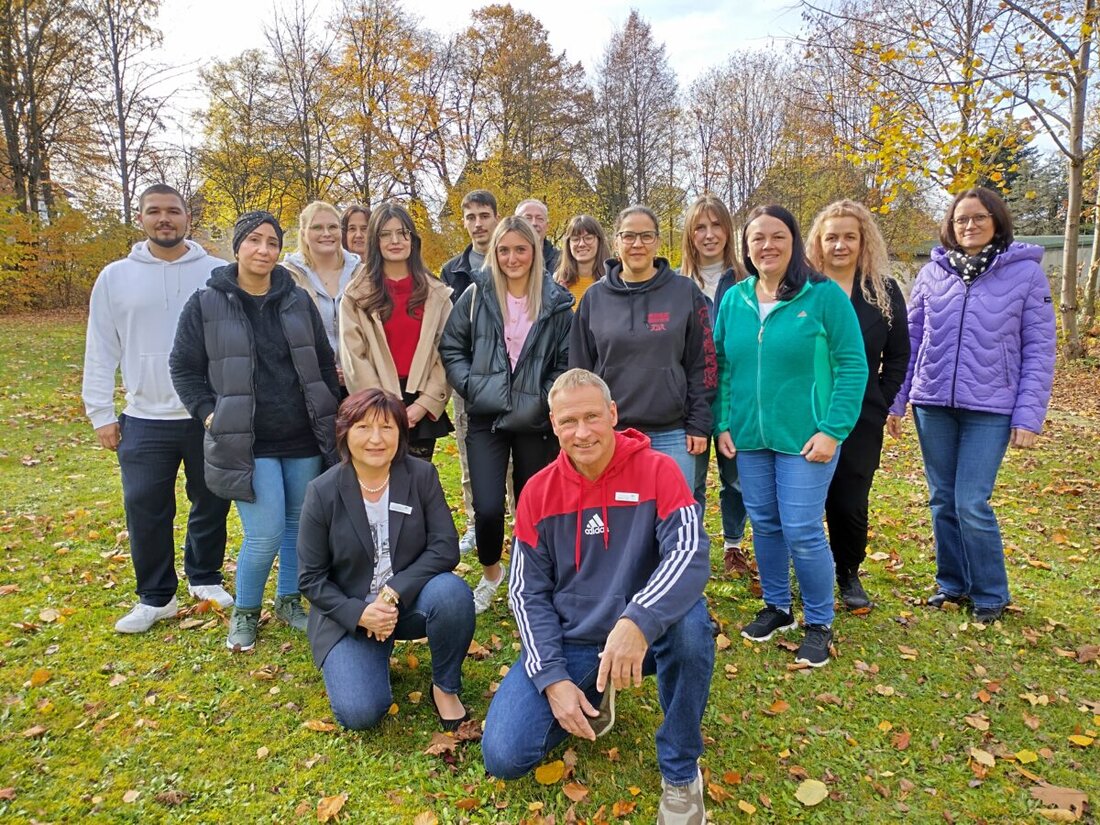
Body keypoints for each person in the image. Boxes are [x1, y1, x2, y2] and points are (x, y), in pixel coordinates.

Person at [481, 369, 714, 825]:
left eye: (592, 417)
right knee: (504, 755)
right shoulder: (537, 492)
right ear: (553, 424)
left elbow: (689, 551)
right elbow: (526, 593)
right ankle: (595, 688)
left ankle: (681, 771)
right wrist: (552, 678)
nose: (582, 432)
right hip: (577, 638)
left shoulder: (659, 471)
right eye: (569, 421)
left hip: (647, 634)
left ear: (612, 413)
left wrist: (638, 621)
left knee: (691, 626)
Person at [170, 211, 341, 652]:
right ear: (238, 246)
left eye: (272, 242)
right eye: (254, 240)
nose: (264, 250)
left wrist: (327, 407)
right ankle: (245, 611)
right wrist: (209, 414)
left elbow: (323, 362)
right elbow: (183, 368)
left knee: (297, 526)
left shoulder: (297, 300)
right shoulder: (206, 303)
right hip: (248, 441)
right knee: (264, 533)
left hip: (302, 436)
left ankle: (288, 600)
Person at [887, 186, 1055, 623]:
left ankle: (991, 593)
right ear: (950, 225)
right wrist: (898, 400)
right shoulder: (932, 273)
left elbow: (1039, 349)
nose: (969, 225)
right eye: (961, 219)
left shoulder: (1025, 274)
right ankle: (952, 583)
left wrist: (1029, 415)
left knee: (971, 502)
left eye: (979, 217)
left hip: (991, 407)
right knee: (942, 499)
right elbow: (912, 339)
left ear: (996, 221)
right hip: (933, 402)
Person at [713, 204, 866, 668]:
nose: (768, 246)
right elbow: (721, 366)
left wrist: (833, 431)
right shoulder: (735, 299)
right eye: (757, 238)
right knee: (765, 523)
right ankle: (778, 607)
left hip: (807, 438)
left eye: (777, 236)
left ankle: (818, 622)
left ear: (795, 242)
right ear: (746, 247)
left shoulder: (823, 296)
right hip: (750, 437)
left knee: (801, 527)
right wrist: (722, 422)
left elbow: (853, 365)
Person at [82, 183, 233, 633]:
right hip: (145, 416)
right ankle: (155, 596)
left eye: (173, 210)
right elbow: (101, 347)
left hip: (206, 413)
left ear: (188, 217)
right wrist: (101, 412)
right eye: (154, 211)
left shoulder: (217, 272)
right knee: (145, 506)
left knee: (211, 500)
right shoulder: (115, 277)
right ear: (141, 218)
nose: (164, 218)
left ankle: (204, 576)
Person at [297, 389, 474, 730]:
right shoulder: (322, 491)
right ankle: (366, 655)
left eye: (387, 427)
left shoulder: (421, 476)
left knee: (452, 594)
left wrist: (394, 591)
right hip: (350, 613)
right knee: (361, 713)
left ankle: (445, 687)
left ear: (400, 433)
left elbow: (444, 547)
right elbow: (311, 578)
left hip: (407, 602)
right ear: (345, 433)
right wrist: (360, 613)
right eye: (363, 427)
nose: (376, 439)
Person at [439, 216, 573, 614]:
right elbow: (452, 347)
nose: (512, 258)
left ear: (534, 251)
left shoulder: (556, 302)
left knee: (533, 504)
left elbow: (566, 360)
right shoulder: (476, 295)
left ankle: (530, 576)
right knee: (488, 506)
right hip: (487, 417)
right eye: (504, 250)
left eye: (520, 249)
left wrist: (542, 399)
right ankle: (492, 573)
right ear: (494, 254)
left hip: (535, 420)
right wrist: (475, 386)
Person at [569, 204, 716, 496]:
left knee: (676, 514)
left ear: (657, 242)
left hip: (673, 434)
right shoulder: (594, 298)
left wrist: (699, 424)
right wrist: (585, 427)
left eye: (646, 236)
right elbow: (579, 370)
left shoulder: (684, 292)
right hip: (612, 434)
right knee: (620, 516)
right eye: (629, 236)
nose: (637, 244)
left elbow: (703, 364)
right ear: (616, 242)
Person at [806, 200, 910, 611]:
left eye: (849, 236)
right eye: (831, 237)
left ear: (863, 240)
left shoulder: (882, 291)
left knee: (849, 499)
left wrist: (883, 399)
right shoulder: (803, 289)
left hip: (862, 414)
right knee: (804, 496)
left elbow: (899, 354)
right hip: (807, 409)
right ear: (818, 241)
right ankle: (807, 569)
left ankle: (848, 571)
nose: (840, 245)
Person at [339, 202, 453, 460]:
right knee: (378, 479)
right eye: (385, 234)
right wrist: (381, 405)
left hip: (419, 403)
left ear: (413, 239)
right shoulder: (356, 295)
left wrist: (424, 403)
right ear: (375, 241)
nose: (395, 241)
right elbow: (355, 356)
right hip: (376, 402)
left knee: (415, 480)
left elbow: (446, 353)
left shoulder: (437, 295)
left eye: (402, 233)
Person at [680, 195, 749, 571]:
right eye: (700, 227)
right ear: (690, 235)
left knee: (735, 478)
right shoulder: (676, 284)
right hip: (690, 398)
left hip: (734, 396)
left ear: (728, 231)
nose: (709, 235)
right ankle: (692, 548)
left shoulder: (747, 281)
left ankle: (734, 543)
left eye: (716, 225)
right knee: (690, 482)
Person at [440, 190, 500, 555]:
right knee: (470, 457)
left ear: (496, 218)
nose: (478, 224)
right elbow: (450, 332)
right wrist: (464, 380)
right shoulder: (453, 271)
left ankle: (519, 520)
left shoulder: (513, 257)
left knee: (515, 459)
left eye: (484, 216)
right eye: (471, 217)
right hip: (471, 382)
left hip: (512, 379)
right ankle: (475, 524)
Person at [283, 200, 362, 394]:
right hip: (308, 386)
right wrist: (324, 369)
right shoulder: (287, 277)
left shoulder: (363, 274)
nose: (326, 233)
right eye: (317, 227)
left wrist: (353, 370)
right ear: (303, 233)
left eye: (333, 227)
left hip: (360, 384)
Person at [553, 214, 610, 307]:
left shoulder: (613, 282)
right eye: (575, 239)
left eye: (588, 238)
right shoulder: (557, 283)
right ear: (568, 244)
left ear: (599, 241)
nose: (581, 244)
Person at [515, 198, 560, 275]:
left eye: (540, 219)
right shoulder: (505, 258)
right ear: (515, 223)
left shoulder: (560, 262)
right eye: (528, 218)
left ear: (547, 226)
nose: (534, 223)